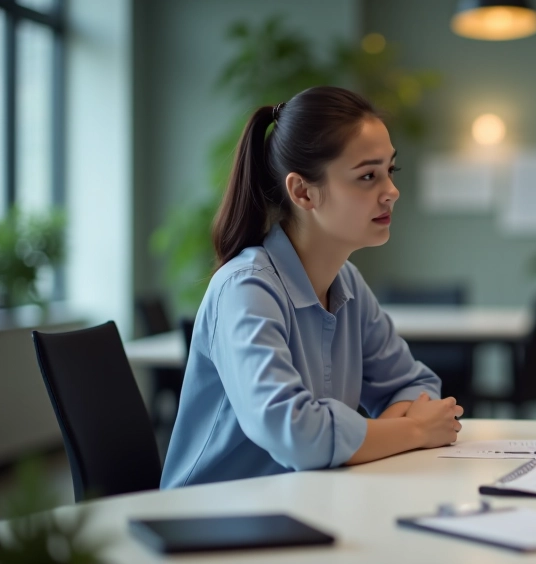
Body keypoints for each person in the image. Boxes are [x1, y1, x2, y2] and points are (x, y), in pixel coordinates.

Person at [161, 87, 462, 488]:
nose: (392, 191)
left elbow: (416, 385)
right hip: (211, 527)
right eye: (368, 176)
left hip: (309, 502)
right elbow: (297, 435)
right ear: (303, 191)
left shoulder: (346, 281)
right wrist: (413, 432)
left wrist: (351, 442)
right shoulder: (245, 289)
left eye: (391, 170)